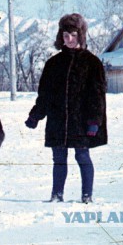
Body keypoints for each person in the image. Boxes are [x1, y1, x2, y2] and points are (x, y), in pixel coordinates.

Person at [24, 13, 107, 204]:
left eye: (73, 35)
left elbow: (97, 96)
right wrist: (35, 116)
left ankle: (87, 196)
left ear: (81, 36)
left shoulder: (92, 63)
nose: (69, 39)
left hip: (82, 121)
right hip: (57, 121)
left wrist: (95, 121)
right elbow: (44, 95)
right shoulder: (53, 64)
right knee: (59, 158)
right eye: (65, 36)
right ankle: (56, 195)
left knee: (82, 155)